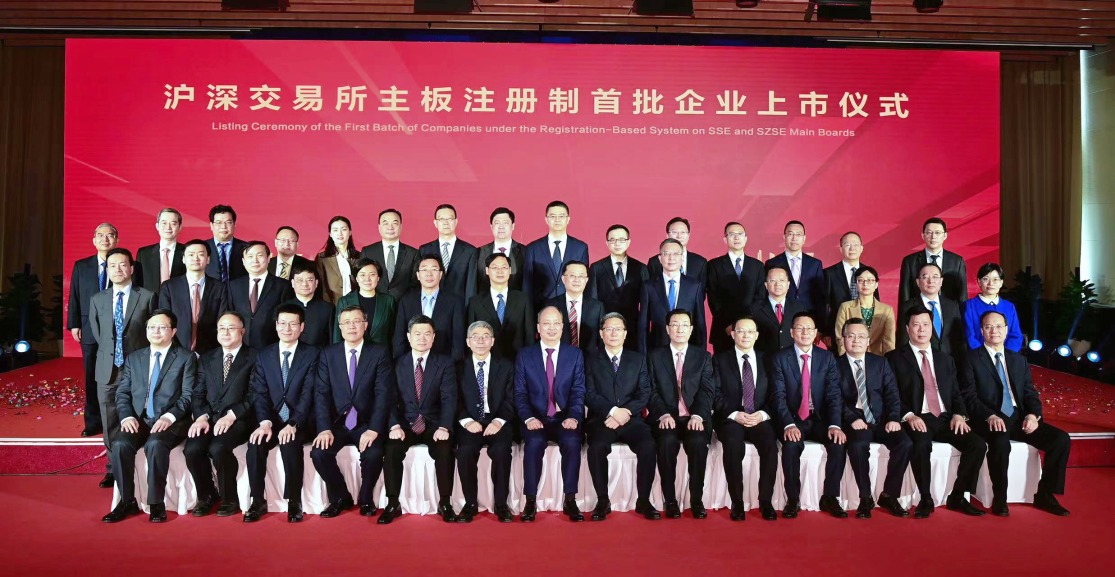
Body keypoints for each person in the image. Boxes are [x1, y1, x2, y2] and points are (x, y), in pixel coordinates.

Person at [961, 310, 1071, 517]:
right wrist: (989, 415)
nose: (994, 331)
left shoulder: (1018, 360)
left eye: (998, 326)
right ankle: (1000, 498)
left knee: (1060, 439)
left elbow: (1030, 392)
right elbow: (969, 396)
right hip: (989, 418)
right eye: (988, 327)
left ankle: (1045, 494)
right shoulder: (971, 359)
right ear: (981, 331)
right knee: (1000, 440)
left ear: (1006, 330)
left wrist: (1033, 415)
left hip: (1018, 418)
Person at [886, 305, 986, 518]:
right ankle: (925, 498)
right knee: (921, 443)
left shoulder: (945, 358)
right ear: (907, 328)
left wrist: (959, 414)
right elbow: (890, 395)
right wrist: (909, 416)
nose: (921, 329)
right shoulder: (893, 358)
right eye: (916, 325)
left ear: (932, 327)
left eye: (926, 324)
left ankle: (958, 496)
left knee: (977, 444)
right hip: (917, 417)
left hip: (946, 417)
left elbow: (956, 393)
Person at [102, 309, 196, 523]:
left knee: (155, 444)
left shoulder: (185, 358)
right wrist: (127, 417)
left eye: (162, 327)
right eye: (152, 327)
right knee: (120, 444)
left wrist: (169, 417)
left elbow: (188, 396)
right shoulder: (135, 358)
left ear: (173, 331)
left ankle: (156, 503)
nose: (156, 331)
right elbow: (123, 393)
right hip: (139, 419)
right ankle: (127, 501)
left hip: (171, 421)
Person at [310, 305, 394, 519]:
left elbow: (383, 393)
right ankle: (340, 497)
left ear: (365, 325)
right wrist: (324, 428)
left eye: (356, 321)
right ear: (340, 327)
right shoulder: (328, 354)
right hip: (337, 423)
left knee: (374, 454)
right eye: (346, 322)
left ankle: (366, 498)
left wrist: (374, 428)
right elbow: (321, 394)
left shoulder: (379, 352)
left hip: (366, 422)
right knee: (319, 453)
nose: (351, 326)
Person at [244, 304, 320, 523]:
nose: (287, 328)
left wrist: (293, 422)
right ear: (276, 325)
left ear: (302, 327)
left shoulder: (313, 354)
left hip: (300, 420)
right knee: (255, 443)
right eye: (283, 323)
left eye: (293, 324)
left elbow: (309, 393)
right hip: (272, 420)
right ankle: (257, 500)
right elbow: (259, 392)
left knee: (290, 443)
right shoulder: (264, 355)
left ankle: (294, 500)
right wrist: (264, 422)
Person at [381, 315, 459, 524]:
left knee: (445, 449)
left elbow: (449, 398)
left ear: (433, 337)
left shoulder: (444, 363)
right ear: (408, 337)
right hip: (405, 424)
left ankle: (445, 503)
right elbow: (389, 398)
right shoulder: (397, 363)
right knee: (391, 450)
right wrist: (394, 425)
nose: (422, 338)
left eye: (427, 334)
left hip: (434, 424)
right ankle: (392, 503)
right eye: (417, 334)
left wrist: (444, 426)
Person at [89, 247, 155, 490]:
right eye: (112, 265)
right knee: (109, 420)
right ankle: (113, 468)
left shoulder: (147, 297)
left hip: (137, 369)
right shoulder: (97, 299)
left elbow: (152, 333)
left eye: (122, 264)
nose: (117, 269)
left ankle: (139, 465)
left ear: (131, 268)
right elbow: (99, 334)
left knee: (138, 415)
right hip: (107, 369)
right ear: (107, 270)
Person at [770, 312, 846, 519]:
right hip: (793, 419)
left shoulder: (827, 358)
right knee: (791, 445)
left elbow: (834, 395)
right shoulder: (780, 358)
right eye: (800, 328)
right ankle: (792, 499)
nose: (805, 332)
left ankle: (830, 497)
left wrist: (835, 425)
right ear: (791, 332)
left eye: (809, 329)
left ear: (816, 333)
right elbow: (778, 396)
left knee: (838, 443)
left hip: (819, 418)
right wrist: (788, 424)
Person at [584, 313, 659, 521]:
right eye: (609, 329)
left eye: (618, 329)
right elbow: (589, 393)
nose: (613, 333)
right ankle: (602, 500)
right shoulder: (591, 360)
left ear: (625, 334)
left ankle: (643, 500)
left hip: (631, 419)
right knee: (597, 447)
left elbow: (644, 392)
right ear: (601, 334)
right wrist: (612, 411)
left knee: (648, 446)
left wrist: (625, 412)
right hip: (602, 420)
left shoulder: (638, 359)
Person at [515, 306, 586, 523]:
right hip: (536, 418)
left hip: (564, 417)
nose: (551, 328)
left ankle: (570, 499)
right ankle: (530, 501)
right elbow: (519, 393)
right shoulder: (525, 355)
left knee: (572, 442)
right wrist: (528, 418)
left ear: (563, 327)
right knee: (534, 444)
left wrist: (574, 416)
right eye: (546, 323)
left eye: (556, 323)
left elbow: (578, 390)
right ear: (538, 327)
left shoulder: (574, 354)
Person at [836, 318, 911, 518]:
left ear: (868, 340)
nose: (856, 340)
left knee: (904, 443)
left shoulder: (880, 362)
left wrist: (894, 418)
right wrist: (851, 418)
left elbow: (892, 394)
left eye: (861, 336)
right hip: (855, 420)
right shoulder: (834, 365)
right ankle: (865, 497)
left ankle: (889, 495)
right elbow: (833, 398)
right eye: (851, 336)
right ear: (843, 339)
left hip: (881, 419)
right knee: (858, 445)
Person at [184, 311, 256, 518]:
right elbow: (198, 393)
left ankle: (229, 497)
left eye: (231, 328)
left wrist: (232, 415)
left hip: (239, 419)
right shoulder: (207, 358)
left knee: (219, 448)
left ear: (242, 331)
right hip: (210, 418)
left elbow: (255, 394)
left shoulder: (254, 357)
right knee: (192, 448)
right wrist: (202, 417)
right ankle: (206, 495)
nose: (225, 332)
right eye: (222, 328)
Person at [647, 309, 715, 519]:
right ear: (667, 329)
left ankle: (696, 499)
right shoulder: (654, 356)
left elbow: (707, 390)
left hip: (694, 417)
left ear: (691, 329)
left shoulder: (703, 356)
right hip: (666, 417)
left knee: (697, 443)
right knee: (667, 442)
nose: (680, 329)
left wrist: (698, 415)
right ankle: (670, 500)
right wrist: (662, 414)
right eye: (675, 325)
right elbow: (650, 390)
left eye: (684, 325)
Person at [713, 316, 779, 521]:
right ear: (733, 334)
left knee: (770, 445)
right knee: (733, 445)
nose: (745, 335)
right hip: (731, 417)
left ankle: (766, 501)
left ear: (757, 335)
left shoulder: (768, 360)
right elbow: (715, 393)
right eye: (741, 331)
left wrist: (763, 414)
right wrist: (734, 414)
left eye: (750, 331)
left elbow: (776, 393)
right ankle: (737, 501)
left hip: (759, 416)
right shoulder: (719, 359)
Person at [455, 321, 515, 523]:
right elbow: (453, 399)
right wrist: (466, 421)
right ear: (468, 342)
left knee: (501, 451)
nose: (480, 340)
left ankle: (501, 504)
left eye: (485, 336)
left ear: (493, 341)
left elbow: (511, 398)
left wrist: (498, 421)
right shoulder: (458, 367)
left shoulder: (506, 366)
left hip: (497, 421)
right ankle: (470, 504)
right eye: (475, 337)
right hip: (470, 422)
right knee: (465, 451)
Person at [68, 222, 119, 438]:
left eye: (110, 235)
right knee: (91, 376)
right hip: (89, 329)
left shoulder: (126, 263)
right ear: (94, 240)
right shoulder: (82, 266)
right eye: (100, 235)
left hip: (118, 328)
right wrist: (74, 324)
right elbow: (75, 295)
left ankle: (116, 419)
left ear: (116, 240)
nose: (105, 239)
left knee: (117, 375)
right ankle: (92, 422)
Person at [706, 222, 765, 353]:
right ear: (725, 239)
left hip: (751, 330)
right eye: (732, 234)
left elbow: (760, 297)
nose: (737, 237)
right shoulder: (714, 265)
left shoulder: (757, 266)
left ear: (746, 238)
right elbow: (713, 299)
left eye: (740, 234)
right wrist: (730, 325)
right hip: (724, 329)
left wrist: (746, 324)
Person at [159, 239, 226, 354]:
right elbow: (164, 320)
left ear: (208, 259)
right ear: (183, 259)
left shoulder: (220, 288)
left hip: (210, 352)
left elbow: (222, 320)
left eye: (201, 254)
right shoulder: (169, 287)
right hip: (176, 351)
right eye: (191, 255)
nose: (196, 258)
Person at [638, 238, 707, 352]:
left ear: (682, 258)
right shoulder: (648, 286)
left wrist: (701, 354)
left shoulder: (695, 286)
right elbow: (643, 325)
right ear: (660, 258)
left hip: (687, 349)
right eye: (666, 254)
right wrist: (643, 356)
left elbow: (700, 324)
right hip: (657, 349)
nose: (671, 258)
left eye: (675, 254)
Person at [393, 255, 465, 361]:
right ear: (418, 275)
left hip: (444, 363)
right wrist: (401, 364)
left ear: (440, 274)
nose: (429, 274)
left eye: (434, 269)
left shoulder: (454, 302)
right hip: (412, 363)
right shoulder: (406, 301)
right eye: (424, 269)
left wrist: (451, 365)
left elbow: (458, 339)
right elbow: (399, 337)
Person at [522, 200, 590, 312]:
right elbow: (527, 284)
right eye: (553, 216)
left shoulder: (580, 248)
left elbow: (584, 281)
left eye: (561, 216)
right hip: (540, 308)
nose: (557, 220)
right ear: (546, 219)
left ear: (568, 219)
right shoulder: (533, 248)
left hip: (571, 308)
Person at [589, 224, 649, 350]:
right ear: (607, 243)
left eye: (621, 239)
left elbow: (646, 303)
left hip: (632, 328)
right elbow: (593, 302)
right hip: (606, 328)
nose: (617, 243)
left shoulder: (640, 268)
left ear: (628, 242)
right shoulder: (596, 268)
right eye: (612, 240)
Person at [466, 252, 533, 360]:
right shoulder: (475, 302)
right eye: (495, 267)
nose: (500, 271)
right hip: (487, 361)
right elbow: (471, 335)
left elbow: (529, 335)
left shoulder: (523, 299)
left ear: (510, 270)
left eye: (504, 267)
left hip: (518, 360)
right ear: (487, 271)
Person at [228, 241, 292, 348]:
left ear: (268, 258)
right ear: (243, 261)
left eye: (260, 255)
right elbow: (229, 314)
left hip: (271, 346)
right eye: (250, 256)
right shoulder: (233, 286)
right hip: (240, 346)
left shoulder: (283, 285)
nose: (255, 260)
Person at [897, 262, 966, 359]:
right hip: (922, 360)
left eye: (935, 277)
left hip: (951, 361)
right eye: (925, 277)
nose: (930, 281)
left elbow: (959, 338)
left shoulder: (952, 305)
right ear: (918, 282)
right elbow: (903, 339)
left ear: (941, 281)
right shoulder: (907, 307)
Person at [822, 231, 878, 341]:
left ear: (861, 248)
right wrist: (826, 332)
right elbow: (825, 304)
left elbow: (876, 301)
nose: (852, 248)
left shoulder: (869, 273)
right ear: (841, 249)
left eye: (856, 244)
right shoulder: (829, 273)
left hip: (866, 331)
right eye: (847, 245)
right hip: (838, 331)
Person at [899, 217, 969, 304]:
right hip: (918, 310)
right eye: (929, 233)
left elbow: (962, 293)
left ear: (945, 235)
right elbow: (905, 294)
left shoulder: (957, 261)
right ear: (923, 235)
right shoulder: (910, 261)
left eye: (937, 233)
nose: (933, 237)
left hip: (949, 310)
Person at [420, 203, 479, 303]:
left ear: (456, 221)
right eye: (441, 219)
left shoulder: (470, 251)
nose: (446, 223)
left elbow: (471, 286)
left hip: (459, 306)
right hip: (431, 305)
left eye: (450, 219)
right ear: (435, 223)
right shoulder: (425, 250)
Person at [764, 220, 825, 316]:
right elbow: (766, 293)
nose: (794, 238)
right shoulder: (772, 263)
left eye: (798, 234)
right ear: (784, 237)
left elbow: (820, 295)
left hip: (809, 315)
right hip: (781, 315)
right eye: (790, 234)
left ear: (804, 238)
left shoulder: (815, 264)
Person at [545, 261, 605, 357]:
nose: (577, 280)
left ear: (586, 280)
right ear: (563, 279)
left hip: (589, 360)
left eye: (581, 276)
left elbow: (602, 340)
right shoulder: (551, 305)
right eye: (572, 275)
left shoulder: (597, 307)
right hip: (559, 359)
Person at [332, 259, 396, 348]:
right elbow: (337, 334)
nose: (367, 279)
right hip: (353, 352)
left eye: (372, 274)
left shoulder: (388, 301)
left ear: (378, 278)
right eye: (362, 275)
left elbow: (394, 332)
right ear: (356, 278)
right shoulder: (344, 301)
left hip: (382, 352)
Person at [359, 208, 421, 300]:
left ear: (401, 227)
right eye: (385, 223)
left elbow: (416, 284)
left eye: (394, 223)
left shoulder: (413, 253)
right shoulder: (368, 252)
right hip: (375, 303)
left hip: (403, 304)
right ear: (379, 227)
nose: (390, 227)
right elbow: (361, 279)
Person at [833, 266, 896, 355]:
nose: (865, 284)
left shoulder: (887, 310)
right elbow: (840, 338)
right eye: (860, 280)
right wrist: (845, 359)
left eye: (870, 280)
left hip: (878, 358)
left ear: (876, 284)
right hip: (852, 356)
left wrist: (888, 361)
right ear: (855, 284)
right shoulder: (845, 307)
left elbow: (889, 341)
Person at [962, 263, 1024, 352]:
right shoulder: (969, 306)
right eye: (986, 279)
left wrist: (1006, 355)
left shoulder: (1009, 306)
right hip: (979, 356)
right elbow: (970, 336)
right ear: (979, 281)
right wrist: (986, 356)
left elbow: (1016, 335)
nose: (991, 283)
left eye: (995, 279)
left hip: (1006, 356)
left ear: (1001, 282)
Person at [749, 265, 803, 355]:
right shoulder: (754, 309)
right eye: (772, 280)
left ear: (788, 284)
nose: (777, 284)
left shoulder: (799, 308)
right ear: (766, 285)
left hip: (792, 359)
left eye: (782, 280)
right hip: (764, 359)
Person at [646, 217, 708, 294]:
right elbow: (649, 290)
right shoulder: (654, 262)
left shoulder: (700, 263)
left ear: (688, 235)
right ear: (667, 235)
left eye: (683, 232)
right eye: (674, 232)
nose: (679, 236)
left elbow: (701, 292)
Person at [282, 262, 335, 347]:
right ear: (292, 283)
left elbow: (332, 339)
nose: (305, 284)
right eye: (300, 280)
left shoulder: (328, 309)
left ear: (316, 283)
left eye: (309, 280)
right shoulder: (283, 308)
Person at [135, 208, 186, 295]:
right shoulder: (144, 253)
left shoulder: (187, 252)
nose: (168, 227)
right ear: (157, 226)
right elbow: (137, 283)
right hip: (150, 302)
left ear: (180, 227)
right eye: (164, 223)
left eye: (173, 223)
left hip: (179, 301)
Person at [476, 207, 525, 294]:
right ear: (491, 226)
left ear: (513, 226)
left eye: (505, 223)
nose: (501, 227)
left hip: (517, 301)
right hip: (486, 300)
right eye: (497, 223)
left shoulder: (525, 252)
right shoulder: (479, 252)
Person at [316, 216, 359, 304]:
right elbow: (321, 286)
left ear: (350, 232)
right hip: (332, 305)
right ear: (330, 234)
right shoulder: (323, 258)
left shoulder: (359, 256)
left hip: (357, 304)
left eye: (344, 229)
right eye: (335, 230)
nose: (340, 233)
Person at [204, 205, 247, 285]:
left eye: (228, 222)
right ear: (211, 225)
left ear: (234, 225)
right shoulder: (202, 247)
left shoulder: (246, 248)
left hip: (238, 290)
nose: (224, 227)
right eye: (218, 222)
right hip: (209, 291)